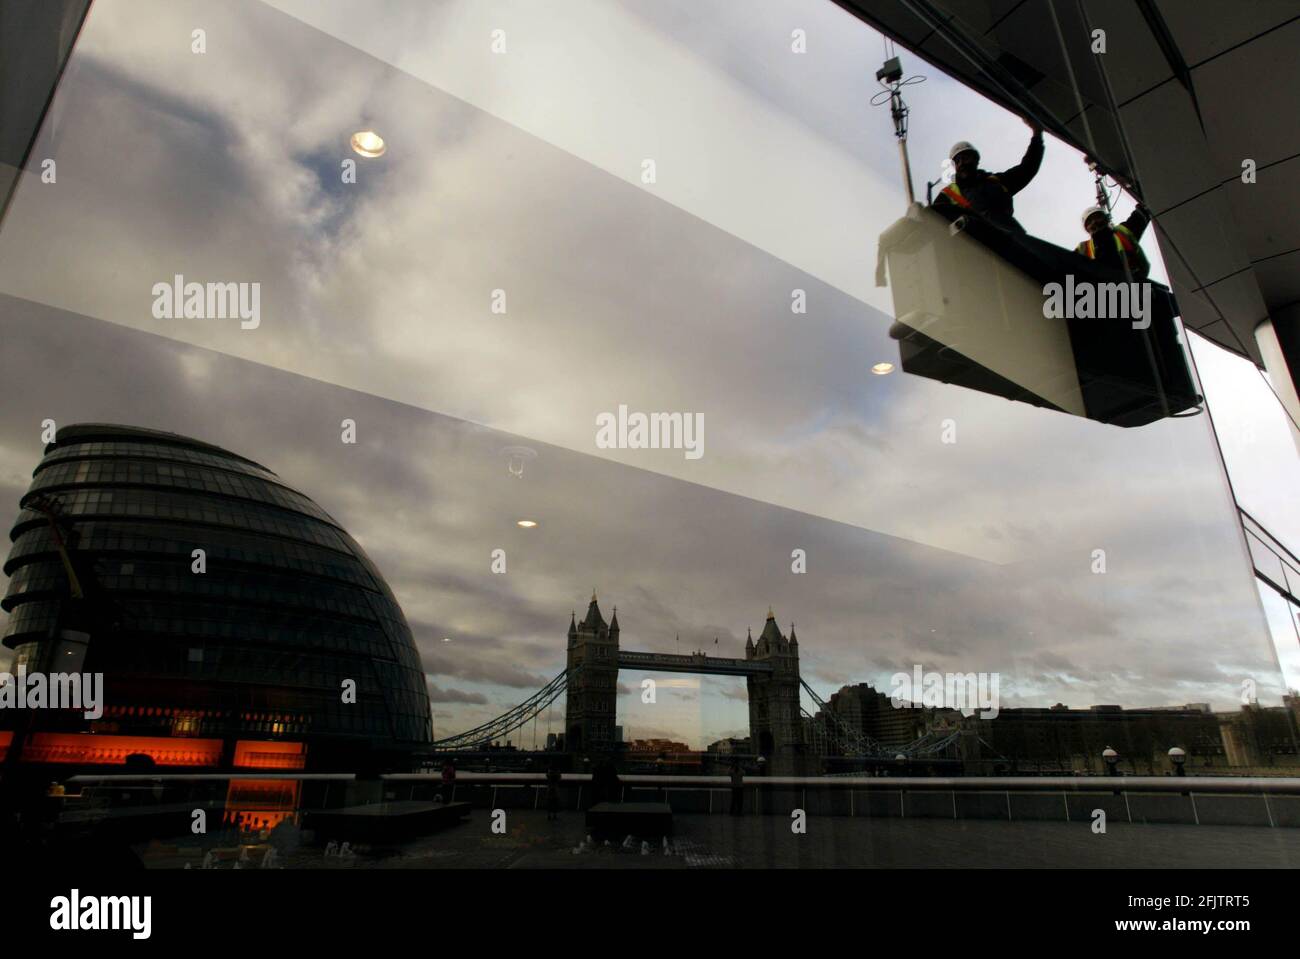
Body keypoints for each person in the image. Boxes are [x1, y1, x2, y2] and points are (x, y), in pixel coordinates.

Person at [932, 119, 1044, 233]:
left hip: (1011, 241)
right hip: (974, 246)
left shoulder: (996, 182)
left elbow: (1027, 168)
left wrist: (1037, 135)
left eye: (965, 158)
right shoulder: (948, 194)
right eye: (957, 161)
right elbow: (931, 222)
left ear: (976, 160)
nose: (961, 164)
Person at [1076, 203, 1150, 280]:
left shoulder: (1123, 231)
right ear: (1087, 229)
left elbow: (1141, 215)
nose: (1094, 222)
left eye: (1097, 217)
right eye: (1090, 221)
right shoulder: (1083, 247)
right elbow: (1068, 267)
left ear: (1106, 219)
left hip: (1131, 283)